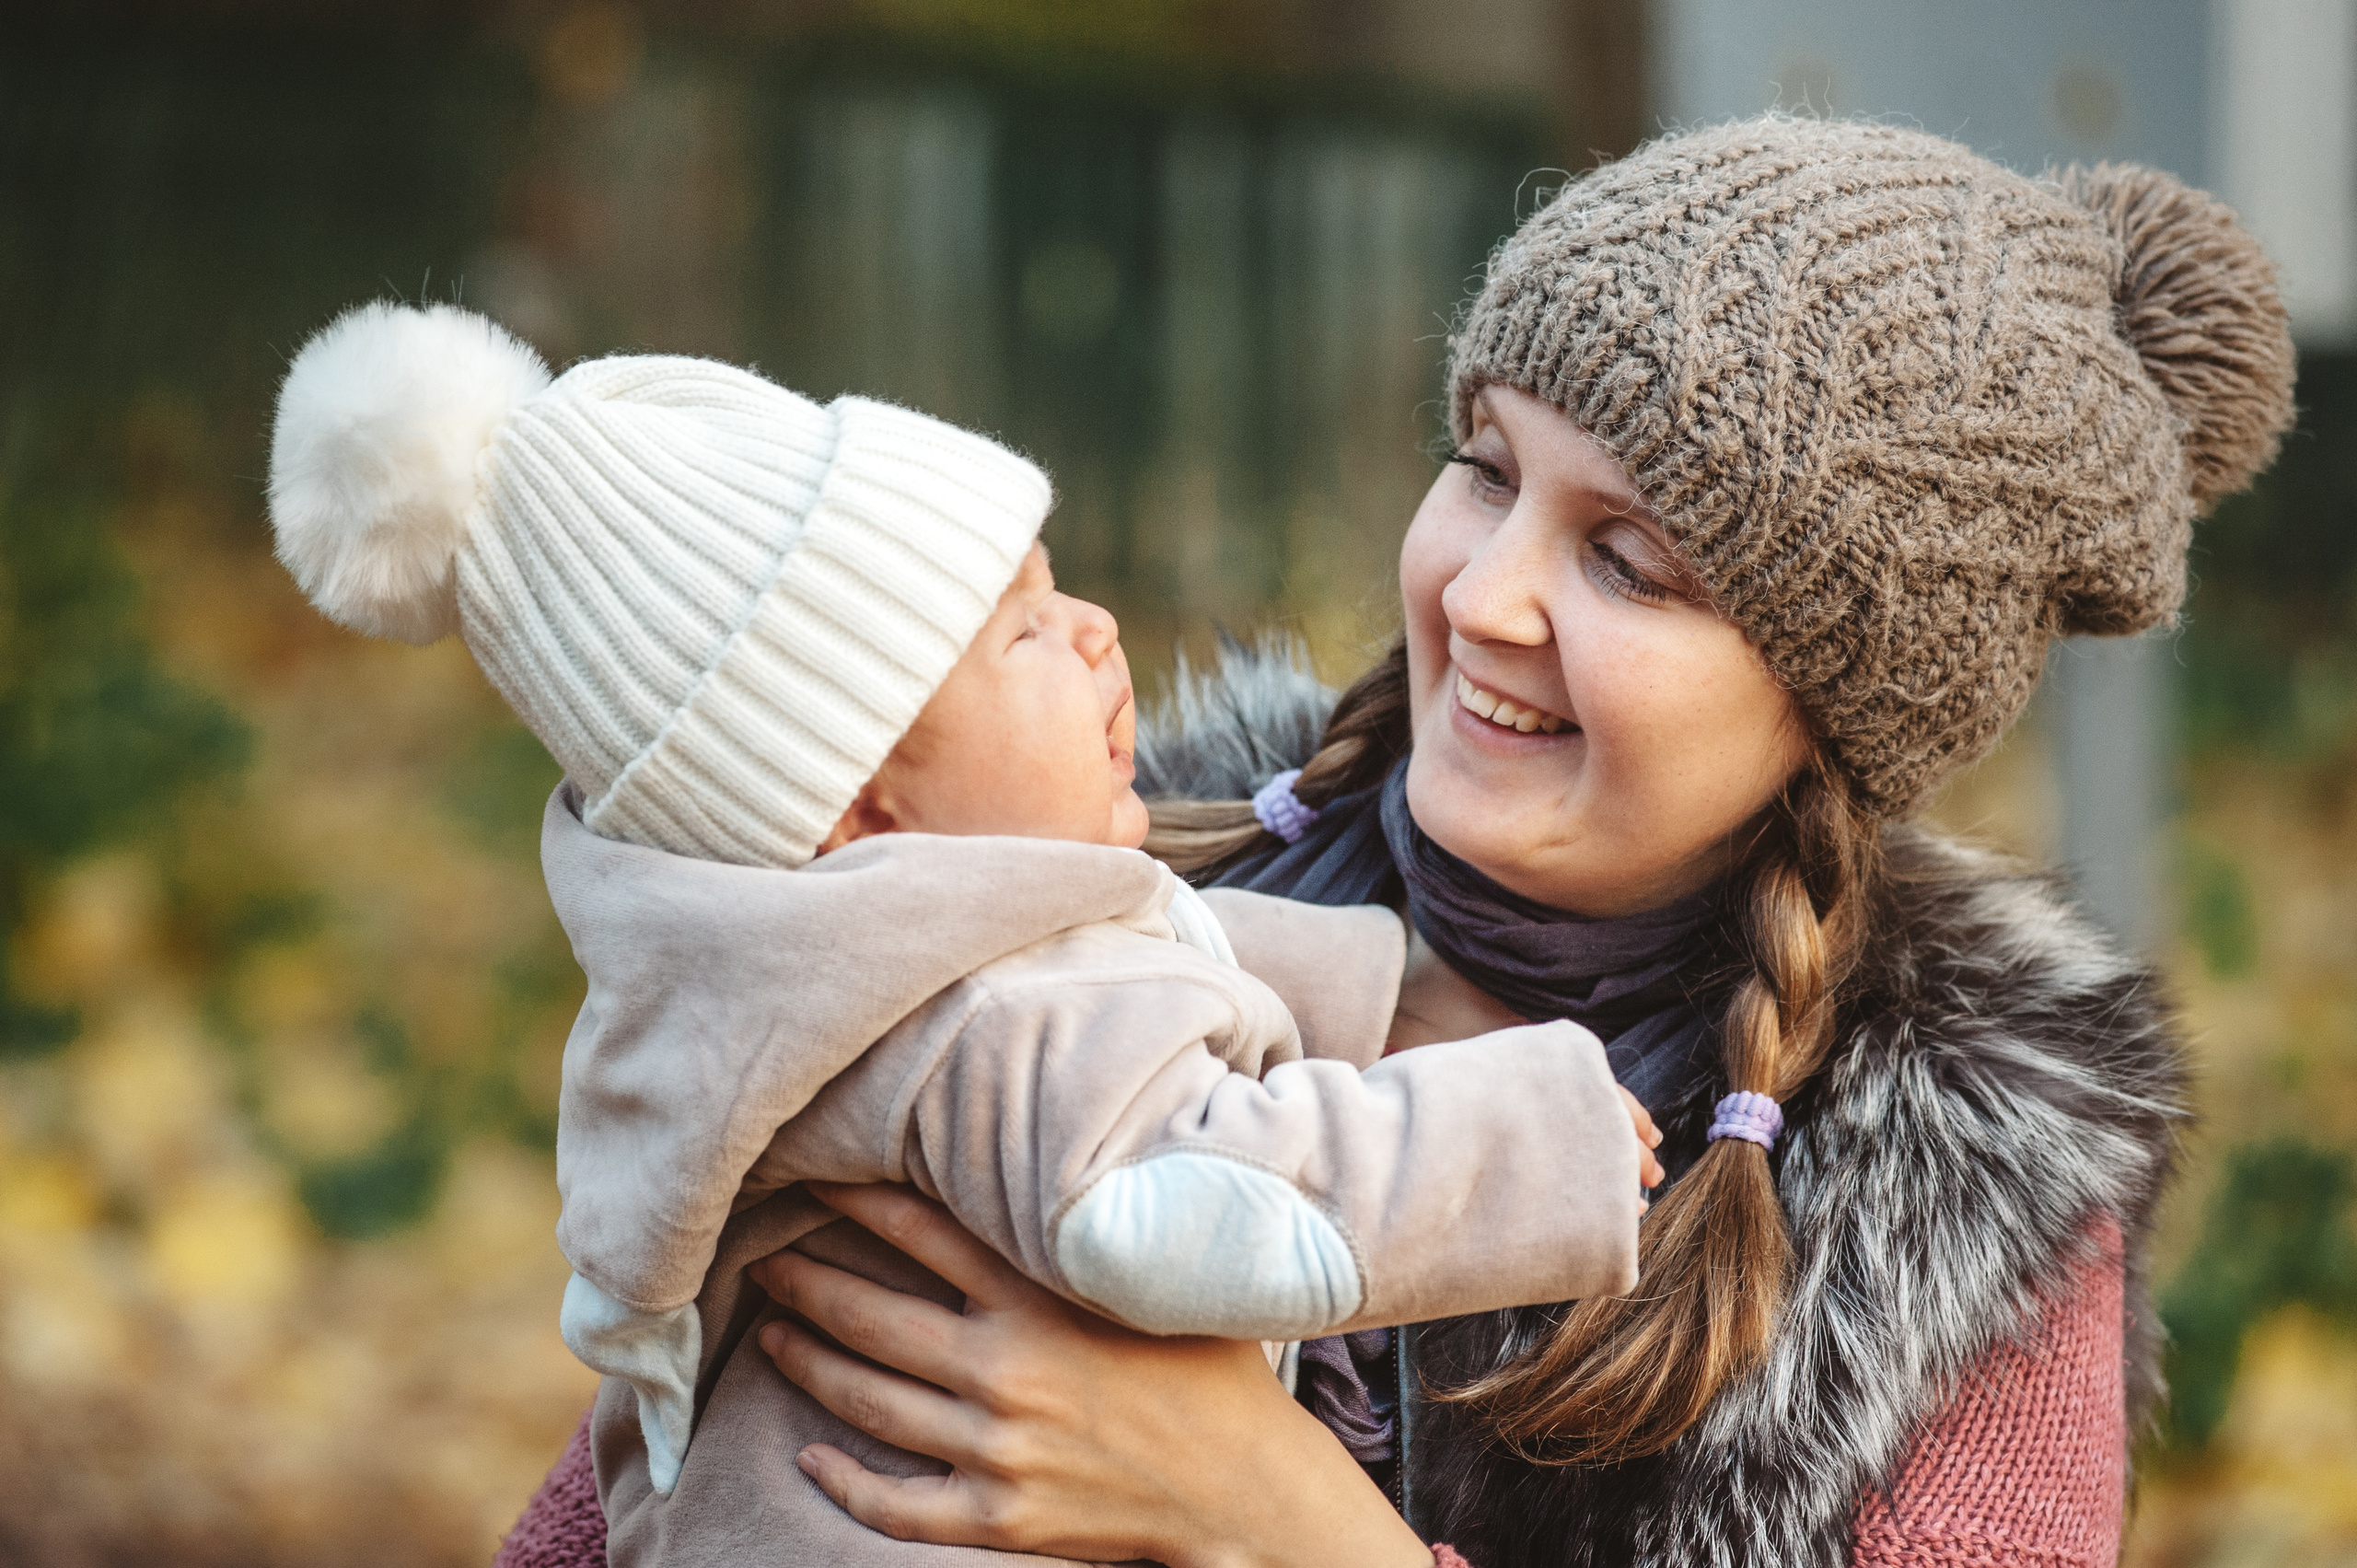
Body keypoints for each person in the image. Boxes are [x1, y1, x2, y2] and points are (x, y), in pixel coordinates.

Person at [494, 115, 2296, 1567]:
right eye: (1485, 468)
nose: (1482, 592)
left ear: (1830, 701)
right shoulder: (1055, 906)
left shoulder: (1960, 1184)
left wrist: (1270, 1516)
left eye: (1628, 561)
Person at [265, 303, 1663, 1566]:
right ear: (855, 803)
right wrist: (1536, 1138)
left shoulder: (793, 984)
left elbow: (1152, 961)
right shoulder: (978, 1021)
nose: (1101, 630)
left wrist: (1278, 1503)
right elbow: (1186, 1195)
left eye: (1629, 558)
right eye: (1024, 631)